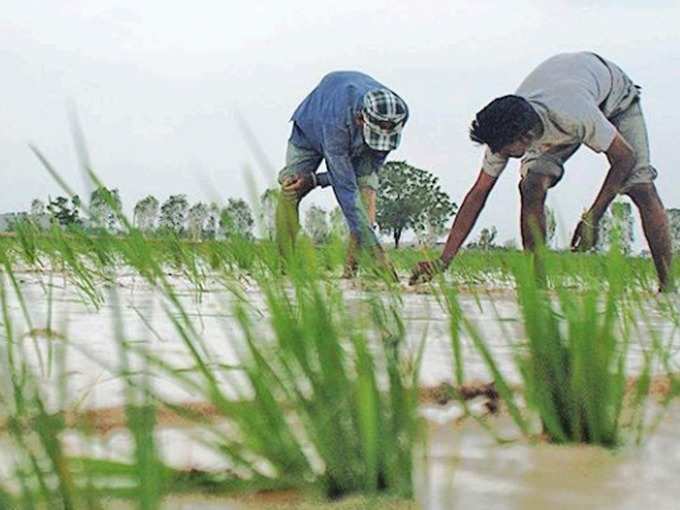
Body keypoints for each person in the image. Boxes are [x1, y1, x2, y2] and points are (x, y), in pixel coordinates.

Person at [410, 52, 674, 292]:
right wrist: (444, 260)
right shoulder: (506, 132)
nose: (499, 155)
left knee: (641, 187)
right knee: (531, 184)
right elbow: (478, 194)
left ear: (524, 138)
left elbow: (624, 157)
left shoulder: (574, 113)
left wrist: (594, 217)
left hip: (614, 102)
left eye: (505, 151)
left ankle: (668, 286)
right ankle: (538, 287)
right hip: (558, 111)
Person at [276, 71, 408, 276]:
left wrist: (314, 180)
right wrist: (378, 251)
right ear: (360, 119)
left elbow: (367, 171)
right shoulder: (335, 122)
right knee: (290, 190)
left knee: (366, 196)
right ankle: (284, 269)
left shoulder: (397, 114)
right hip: (309, 132)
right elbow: (344, 186)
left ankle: (350, 273)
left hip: (359, 143)